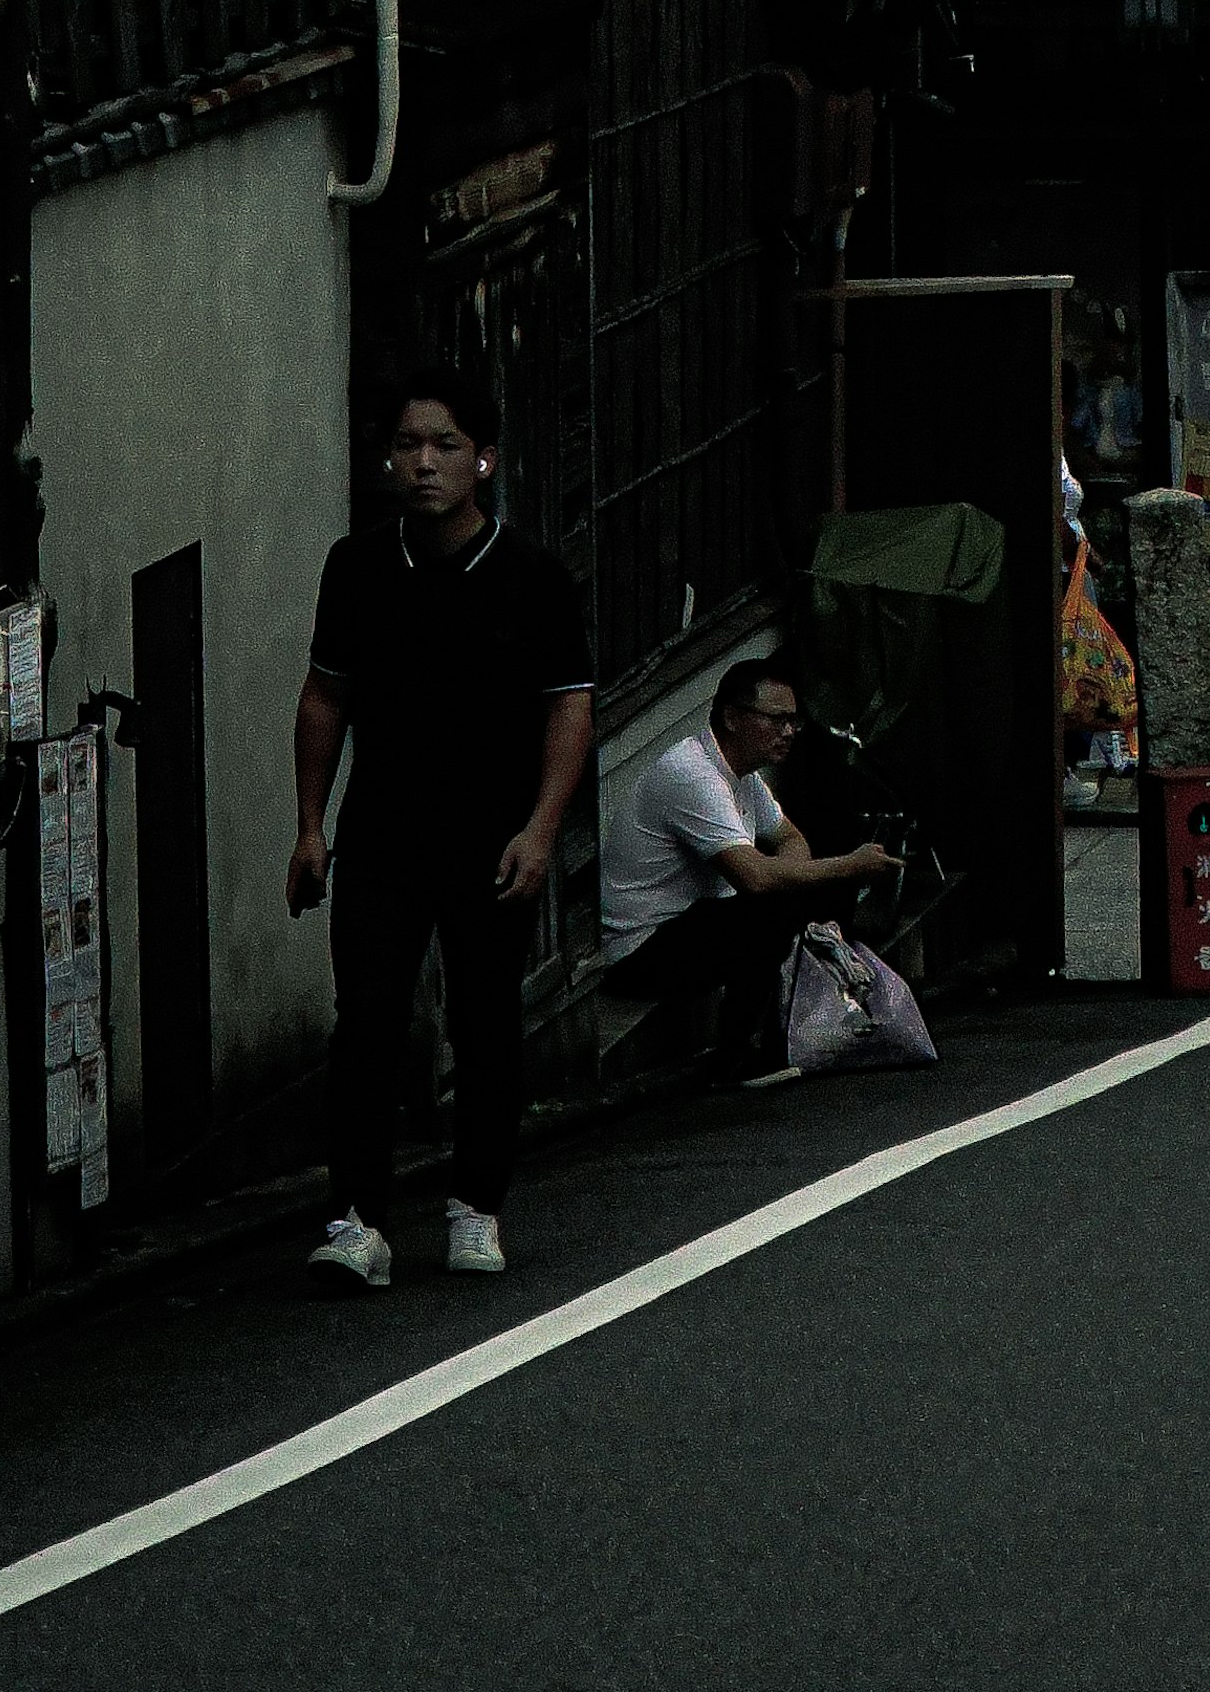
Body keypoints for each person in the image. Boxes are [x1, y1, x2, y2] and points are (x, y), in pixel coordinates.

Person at [289, 360, 593, 1290]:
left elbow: (569, 707)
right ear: (387, 460)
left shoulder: (532, 577)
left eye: (446, 446)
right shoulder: (359, 567)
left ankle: (476, 1207)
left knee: (485, 1018)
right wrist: (310, 826)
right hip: (381, 827)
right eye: (409, 445)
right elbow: (324, 699)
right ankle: (357, 1222)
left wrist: (542, 828)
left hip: (491, 834)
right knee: (366, 1024)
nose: (424, 463)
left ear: (485, 462)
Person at [598, 658, 899, 1076]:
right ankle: (736, 1055)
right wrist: (846, 866)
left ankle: (823, 1009)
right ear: (732, 718)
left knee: (800, 887)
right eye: (777, 720)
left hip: (690, 927)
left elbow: (792, 840)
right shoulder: (693, 773)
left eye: (794, 721)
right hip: (640, 950)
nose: (789, 732)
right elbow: (755, 878)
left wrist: (796, 878)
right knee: (777, 902)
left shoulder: (745, 776)